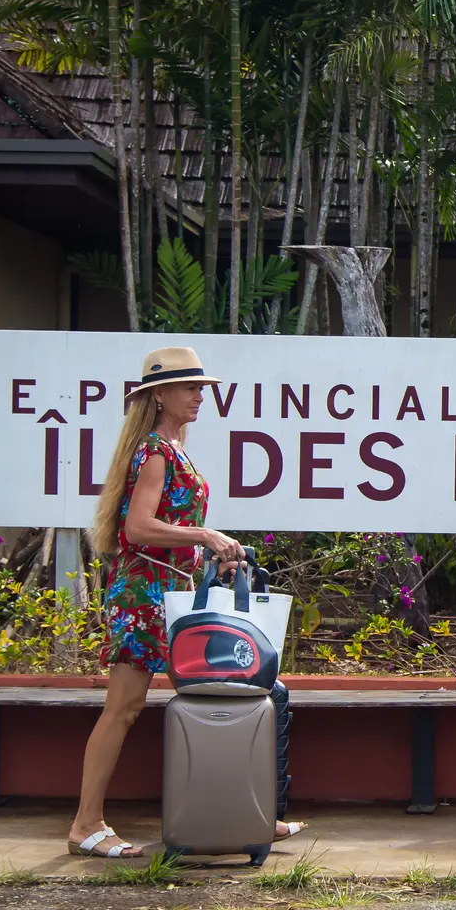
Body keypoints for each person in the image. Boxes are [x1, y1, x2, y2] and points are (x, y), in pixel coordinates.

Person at [68, 347, 306, 858]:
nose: (201, 396)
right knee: (124, 709)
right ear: (159, 395)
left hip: (168, 591)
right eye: (189, 388)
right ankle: (85, 825)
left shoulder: (173, 447)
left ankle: (254, 814)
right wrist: (205, 536)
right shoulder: (155, 450)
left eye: (201, 387)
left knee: (223, 696)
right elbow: (136, 528)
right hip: (143, 595)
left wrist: (210, 557)